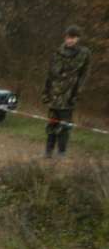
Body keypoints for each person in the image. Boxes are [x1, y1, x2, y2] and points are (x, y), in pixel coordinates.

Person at [42, 25, 90, 158]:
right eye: (68, 37)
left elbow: (84, 75)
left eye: (73, 38)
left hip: (69, 95)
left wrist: (77, 93)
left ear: (78, 39)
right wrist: (45, 92)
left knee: (64, 126)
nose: (70, 40)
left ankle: (61, 152)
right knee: (51, 124)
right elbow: (50, 74)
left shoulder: (84, 54)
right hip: (55, 93)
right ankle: (48, 151)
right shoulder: (57, 52)